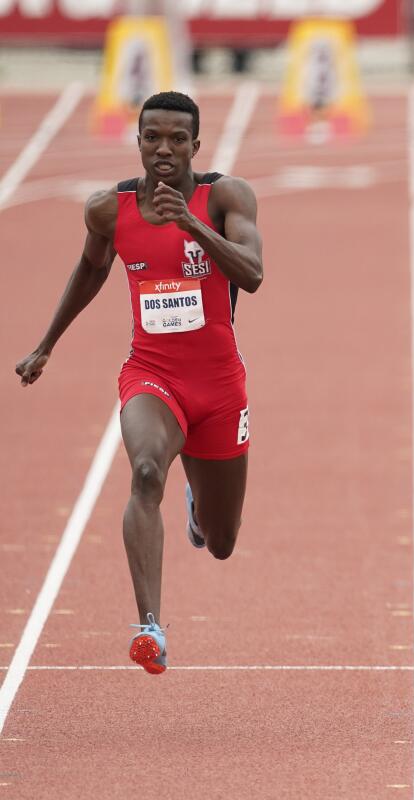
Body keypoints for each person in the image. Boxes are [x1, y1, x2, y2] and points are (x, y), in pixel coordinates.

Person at [15, 91, 263, 674]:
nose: (164, 149)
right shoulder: (108, 209)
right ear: (139, 143)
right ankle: (150, 626)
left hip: (220, 385)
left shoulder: (226, 196)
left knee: (224, 541)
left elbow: (251, 274)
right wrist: (46, 344)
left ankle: (200, 513)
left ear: (197, 146)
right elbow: (91, 268)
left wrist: (193, 225)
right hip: (151, 374)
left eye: (178, 138)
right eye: (152, 137)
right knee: (145, 471)